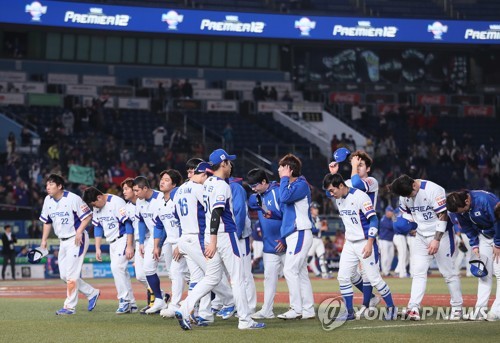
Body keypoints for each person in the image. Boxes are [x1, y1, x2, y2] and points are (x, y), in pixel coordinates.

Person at [175, 149, 265, 330]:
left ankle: (185, 307)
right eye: (229, 162)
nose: (231, 165)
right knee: (237, 278)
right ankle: (245, 320)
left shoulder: (207, 184)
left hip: (211, 236)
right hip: (224, 235)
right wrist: (215, 240)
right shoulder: (222, 185)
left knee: (211, 278)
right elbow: (217, 212)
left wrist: (211, 239)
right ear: (223, 164)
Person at [323, 173, 397, 321]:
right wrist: (333, 171)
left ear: (342, 186)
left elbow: (374, 219)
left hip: (365, 242)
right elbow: (330, 188)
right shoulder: (338, 196)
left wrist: (370, 242)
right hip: (349, 243)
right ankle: (349, 312)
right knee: (343, 277)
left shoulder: (360, 197)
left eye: (332, 190)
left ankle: (392, 308)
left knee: (374, 279)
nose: (330, 194)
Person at [388, 174, 463, 321]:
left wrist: (436, 240)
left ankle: (457, 308)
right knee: (418, 272)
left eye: (410, 193)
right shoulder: (405, 194)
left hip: (441, 235)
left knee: (448, 272)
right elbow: (406, 213)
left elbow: (443, 215)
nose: (409, 197)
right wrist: (410, 226)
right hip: (421, 236)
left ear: (414, 185)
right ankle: (413, 307)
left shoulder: (433, 190)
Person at [174, 159, 234, 325]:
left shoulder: (179, 190)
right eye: (206, 173)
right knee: (213, 276)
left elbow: (176, 217)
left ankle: (202, 314)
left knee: (198, 277)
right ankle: (230, 301)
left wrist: (180, 242)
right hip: (198, 237)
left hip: (184, 237)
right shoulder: (200, 188)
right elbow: (212, 208)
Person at [329, 149, 380, 317]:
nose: (357, 167)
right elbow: (332, 191)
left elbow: (357, 184)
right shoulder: (349, 181)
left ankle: (366, 304)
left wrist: (352, 166)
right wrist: (333, 174)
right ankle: (371, 298)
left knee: (367, 274)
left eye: (361, 165)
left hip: (367, 233)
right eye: (356, 164)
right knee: (349, 274)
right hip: (351, 235)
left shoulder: (371, 181)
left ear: (369, 168)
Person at [39, 174, 100, 315]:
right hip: (63, 241)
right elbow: (47, 221)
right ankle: (92, 293)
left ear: (59, 186)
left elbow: (88, 216)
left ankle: (69, 307)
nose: (47, 187)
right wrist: (44, 240)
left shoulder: (73, 198)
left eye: (51, 184)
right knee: (64, 275)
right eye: (47, 184)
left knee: (71, 275)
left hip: (76, 239)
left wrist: (79, 231)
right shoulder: (48, 200)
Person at [82, 187, 137, 314]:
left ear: (99, 197)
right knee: (121, 271)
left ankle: (124, 300)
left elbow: (128, 224)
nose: (94, 206)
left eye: (94, 203)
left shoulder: (116, 202)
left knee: (116, 268)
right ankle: (132, 303)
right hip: (112, 242)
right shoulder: (97, 206)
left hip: (123, 238)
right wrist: (97, 247)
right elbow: (98, 227)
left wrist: (129, 245)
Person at [447, 190, 500, 321]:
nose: (461, 213)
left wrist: (498, 244)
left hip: (498, 236)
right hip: (484, 237)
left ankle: (496, 311)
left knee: (499, 273)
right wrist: (474, 245)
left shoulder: (485, 200)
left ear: (467, 201)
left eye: (462, 210)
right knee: (483, 273)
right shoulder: (459, 208)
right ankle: (480, 311)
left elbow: (498, 221)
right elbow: (467, 228)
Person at [276, 153, 315, 320]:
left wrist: (284, 179)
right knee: (301, 273)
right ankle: (308, 310)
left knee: (289, 269)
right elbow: (284, 205)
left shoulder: (301, 185)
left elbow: (284, 197)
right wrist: (284, 237)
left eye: (281, 167)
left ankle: (296, 308)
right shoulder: (291, 185)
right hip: (294, 233)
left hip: (300, 232)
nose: (278, 170)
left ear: (289, 170)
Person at [247, 168, 286, 319]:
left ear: (264, 181)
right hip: (269, 245)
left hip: (285, 242)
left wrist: (284, 238)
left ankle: (302, 308)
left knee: (294, 276)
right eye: (251, 186)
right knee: (269, 279)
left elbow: (287, 215)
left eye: (255, 185)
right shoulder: (258, 195)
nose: (253, 189)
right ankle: (267, 310)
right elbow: (252, 202)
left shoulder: (277, 192)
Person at [153, 169, 189, 318]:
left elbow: (184, 223)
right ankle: (221, 301)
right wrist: (157, 245)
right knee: (182, 274)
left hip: (184, 241)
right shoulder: (159, 201)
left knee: (178, 273)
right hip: (171, 242)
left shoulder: (178, 199)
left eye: (167, 180)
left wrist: (180, 245)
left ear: (174, 184)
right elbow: (159, 225)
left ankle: (175, 306)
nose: (162, 181)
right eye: (162, 179)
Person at [133, 176, 169, 314]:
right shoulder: (139, 202)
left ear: (145, 188)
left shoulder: (160, 198)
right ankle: (160, 300)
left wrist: (159, 244)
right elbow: (141, 221)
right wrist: (141, 242)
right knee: (147, 269)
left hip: (167, 237)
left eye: (137, 191)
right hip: (152, 239)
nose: (135, 194)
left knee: (177, 273)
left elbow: (164, 223)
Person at [121, 178, 153, 313]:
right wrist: (130, 246)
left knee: (157, 271)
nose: (124, 192)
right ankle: (161, 295)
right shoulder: (127, 208)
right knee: (140, 275)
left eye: (127, 189)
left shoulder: (147, 203)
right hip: (140, 242)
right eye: (124, 189)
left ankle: (155, 301)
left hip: (153, 239)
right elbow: (128, 227)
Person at [229, 163, 257, 314]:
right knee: (232, 274)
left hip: (239, 236)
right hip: (228, 235)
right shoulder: (222, 186)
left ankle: (250, 307)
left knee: (244, 273)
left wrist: (237, 233)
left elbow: (239, 213)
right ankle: (237, 305)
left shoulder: (235, 187)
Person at [307, 202, 330, 279]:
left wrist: (324, 227)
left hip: (318, 239)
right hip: (312, 239)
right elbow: (311, 230)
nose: (317, 210)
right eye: (315, 208)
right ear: (311, 209)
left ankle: (324, 273)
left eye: (317, 208)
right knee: (308, 258)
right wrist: (321, 228)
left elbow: (321, 229)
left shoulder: (318, 218)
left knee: (322, 256)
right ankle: (301, 272)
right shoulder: (309, 218)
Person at [379, 206, 395, 277]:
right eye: (390, 211)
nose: (391, 213)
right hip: (383, 240)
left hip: (390, 240)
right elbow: (392, 226)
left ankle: (387, 271)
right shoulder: (384, 219)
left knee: (391, 256)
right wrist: (394, 219)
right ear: (387, 212)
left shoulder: (390, 219)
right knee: (385, 257)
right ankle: (384, 271)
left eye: (392, 211)